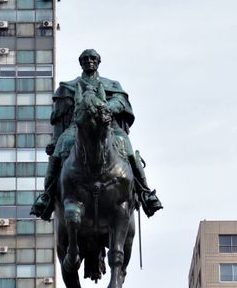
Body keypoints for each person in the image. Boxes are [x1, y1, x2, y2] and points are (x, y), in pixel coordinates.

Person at [31, 49, 163, 220]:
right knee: (59, 152)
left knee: (128, 150)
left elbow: (121, 102)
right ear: (80, 62)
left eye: (93, 58)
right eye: (85, 59)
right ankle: (47, 196)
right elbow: (59, 117)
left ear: (99, 61)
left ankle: (145, 192)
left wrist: (107, 108)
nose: (89, 61)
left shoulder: (112, 85)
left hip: (109, 126)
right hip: (76, 127)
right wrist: (56, 140)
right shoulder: (68, 87)